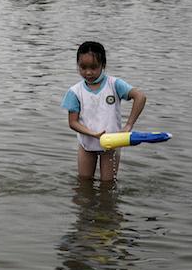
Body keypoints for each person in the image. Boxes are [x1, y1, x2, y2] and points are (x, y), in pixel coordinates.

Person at [62, 41, 147, 182]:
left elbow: (140, 97)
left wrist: (128, 126)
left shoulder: (114, 84)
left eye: (94, 67)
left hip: (112, 144)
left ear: (103, 65)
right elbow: (73, 122)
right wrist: (92, 134)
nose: (88, 72)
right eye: (83, 67)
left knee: (108, 184)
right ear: (77, 65)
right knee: (84, 182)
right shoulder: (75, 92)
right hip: (87, 143)